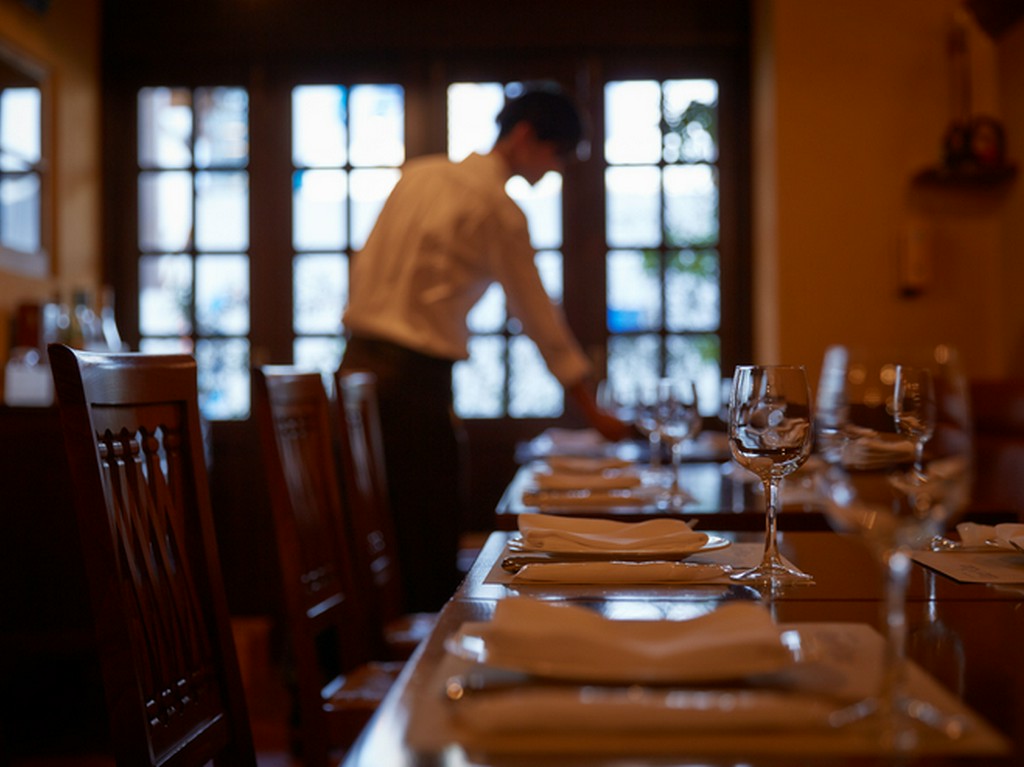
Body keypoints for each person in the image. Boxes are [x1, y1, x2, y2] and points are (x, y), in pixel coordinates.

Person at [339, 84, 629, 612]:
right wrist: (591, 410)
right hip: (414, 382)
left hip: (353, 370)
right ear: (524, 137)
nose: (556, 168)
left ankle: (379, 638)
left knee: (367, 528)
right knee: (426, 535)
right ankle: (430, 644)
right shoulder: (497, 208)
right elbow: (537, 314)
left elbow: (366, 262)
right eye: (556, 153)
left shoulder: (419, 174)